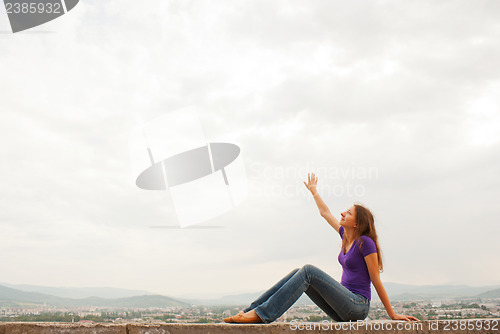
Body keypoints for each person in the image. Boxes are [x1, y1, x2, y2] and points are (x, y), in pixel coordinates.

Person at [224, 172, 419, 324]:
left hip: (357, 306)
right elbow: (325, 213)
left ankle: (261, 314)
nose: (342, 213)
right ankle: (251, 310)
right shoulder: (345, 236)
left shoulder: (365, 243)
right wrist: (314, 191)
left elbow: (376, 280)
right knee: (298, 273)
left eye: (348, 213)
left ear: (357, 223)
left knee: (308, 271)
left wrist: (392, 314)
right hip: (343, 308)